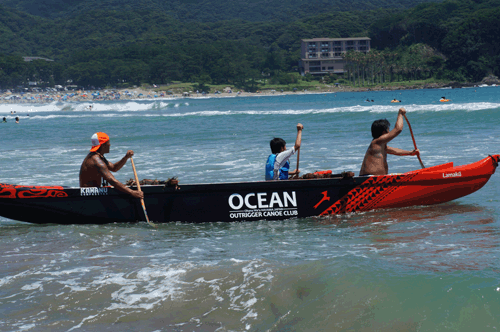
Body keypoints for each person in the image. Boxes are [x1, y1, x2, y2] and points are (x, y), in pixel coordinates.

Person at [79, 132, 143, 199]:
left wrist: (126, 157)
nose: (110, 145)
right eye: (108, 142)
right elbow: (112, 181)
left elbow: (114, 168)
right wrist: (132, 192)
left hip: (94, 194)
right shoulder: (96, 160)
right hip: (89, 197)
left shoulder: (96, 156)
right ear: (103, 145)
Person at [359, 108, 419, 176]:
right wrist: (400, 114)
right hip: (368, 179)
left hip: (377, 179)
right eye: (388, 130)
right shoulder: (378, 141)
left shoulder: (379, 145)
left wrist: (411, 153)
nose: (389, 132)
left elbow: (395, 151)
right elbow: (398, 129)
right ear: (384, 132)